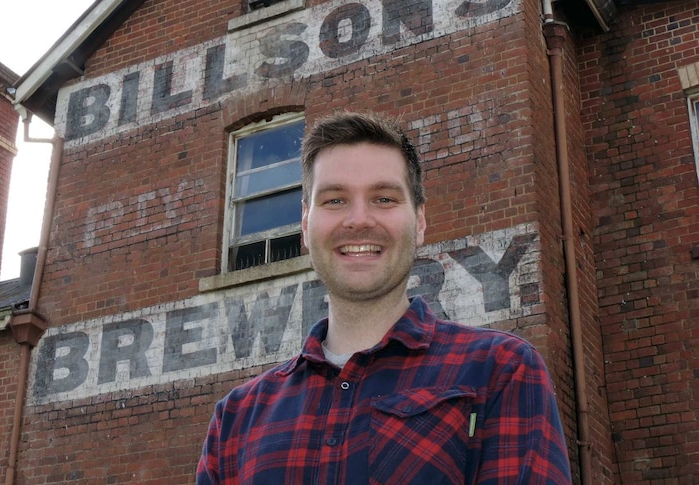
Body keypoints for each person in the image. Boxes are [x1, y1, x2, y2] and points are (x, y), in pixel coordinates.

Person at [196, 112, 571, 484]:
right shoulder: (238, 417)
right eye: (335, 200)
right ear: (306, 226)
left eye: (384, 198)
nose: (358, 220)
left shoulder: (499, 371)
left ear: (420, 221)